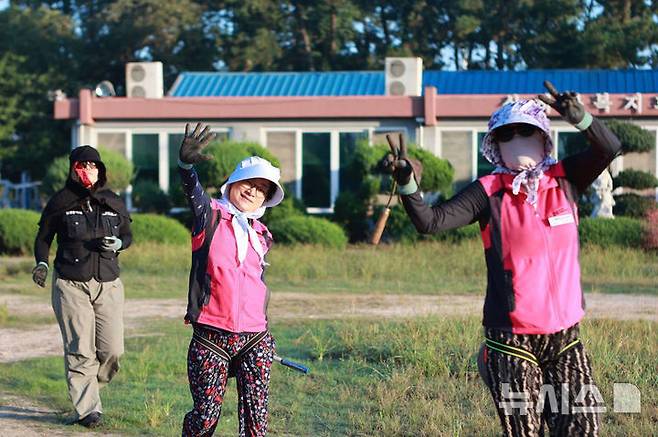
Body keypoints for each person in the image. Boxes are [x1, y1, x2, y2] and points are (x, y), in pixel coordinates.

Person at [382, 82, 621, 436]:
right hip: (510, 338)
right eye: (507, 135)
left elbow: (609, 148)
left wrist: (580, 117)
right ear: (495, 144)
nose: (517, 140)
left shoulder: (565, 180)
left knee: (583, 427)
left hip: (565, 335)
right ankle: (490, 361)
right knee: (523, 430)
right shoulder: (488, 191)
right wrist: (407, 183)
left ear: (544, 139)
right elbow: (429, 222)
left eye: (527, 132)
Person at [178, 123, 285, 436]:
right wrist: (186, 166)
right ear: (233, 183)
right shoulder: (208, 216)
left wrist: (264, 330)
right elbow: (192, 191)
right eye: (247, 183)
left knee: (256, 423)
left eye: (261, 188)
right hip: (211, 336)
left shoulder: (262, 235)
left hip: (255, 337)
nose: (253, 191)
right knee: (204, 418)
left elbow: (256, 284)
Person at [32, 145, 132, 428]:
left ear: (100, 170)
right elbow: (43, 238)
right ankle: (88, 410)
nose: (88, 170)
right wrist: (42, 263)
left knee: (113, 350)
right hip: (70, 284)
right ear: (73, 169)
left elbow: (127, 234)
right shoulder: (60, 202)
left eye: (93, 165)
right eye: (82, 165)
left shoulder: (112, 201)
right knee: (80, 349)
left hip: (109, 284)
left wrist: (120, 244)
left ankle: (90, 385)